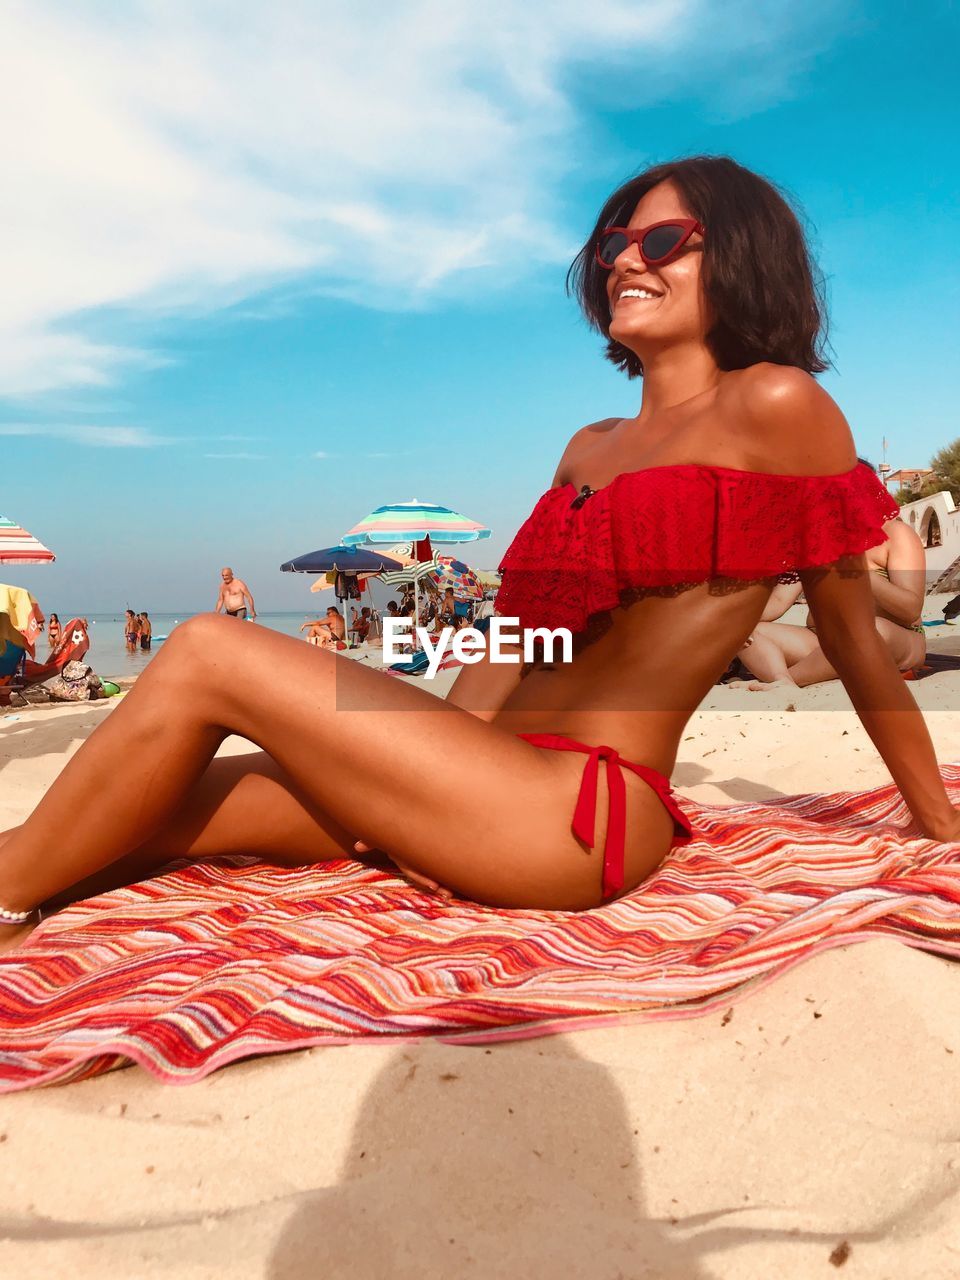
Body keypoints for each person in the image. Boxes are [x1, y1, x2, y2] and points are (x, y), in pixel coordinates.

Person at [2, 154, 959, 944]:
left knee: (211, 649)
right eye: (614, 244)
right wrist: (424, 773)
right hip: (483, 785)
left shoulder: (777, 405)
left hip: (581, 814)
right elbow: (510, 646)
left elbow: (849, 641)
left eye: (664, 240)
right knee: (146, 806)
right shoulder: (587, 449)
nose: (628, 259)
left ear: (741, 257)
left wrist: (939, 820)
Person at [734, 511, 927, 689]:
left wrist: (856, 569)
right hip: (821, 640)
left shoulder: (895, 534)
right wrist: (735, 622)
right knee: (743, 631)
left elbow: (910, 610)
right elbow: (778, 600)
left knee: (867, 629)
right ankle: (780, 681)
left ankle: (786, 681)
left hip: (891, 637)